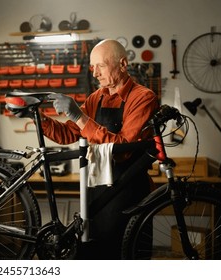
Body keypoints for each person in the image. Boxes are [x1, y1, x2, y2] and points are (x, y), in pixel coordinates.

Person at [40, 39, 159, 259]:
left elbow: (122, 148)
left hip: (130, 193)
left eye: (100, 66)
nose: (95, 74)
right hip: (98, 191)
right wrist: (39, 118)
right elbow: (68, 133)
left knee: (130, 257)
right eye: (92, 67)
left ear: (122, 64)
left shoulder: (143, 98)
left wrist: (80, 117)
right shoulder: (97, 97)